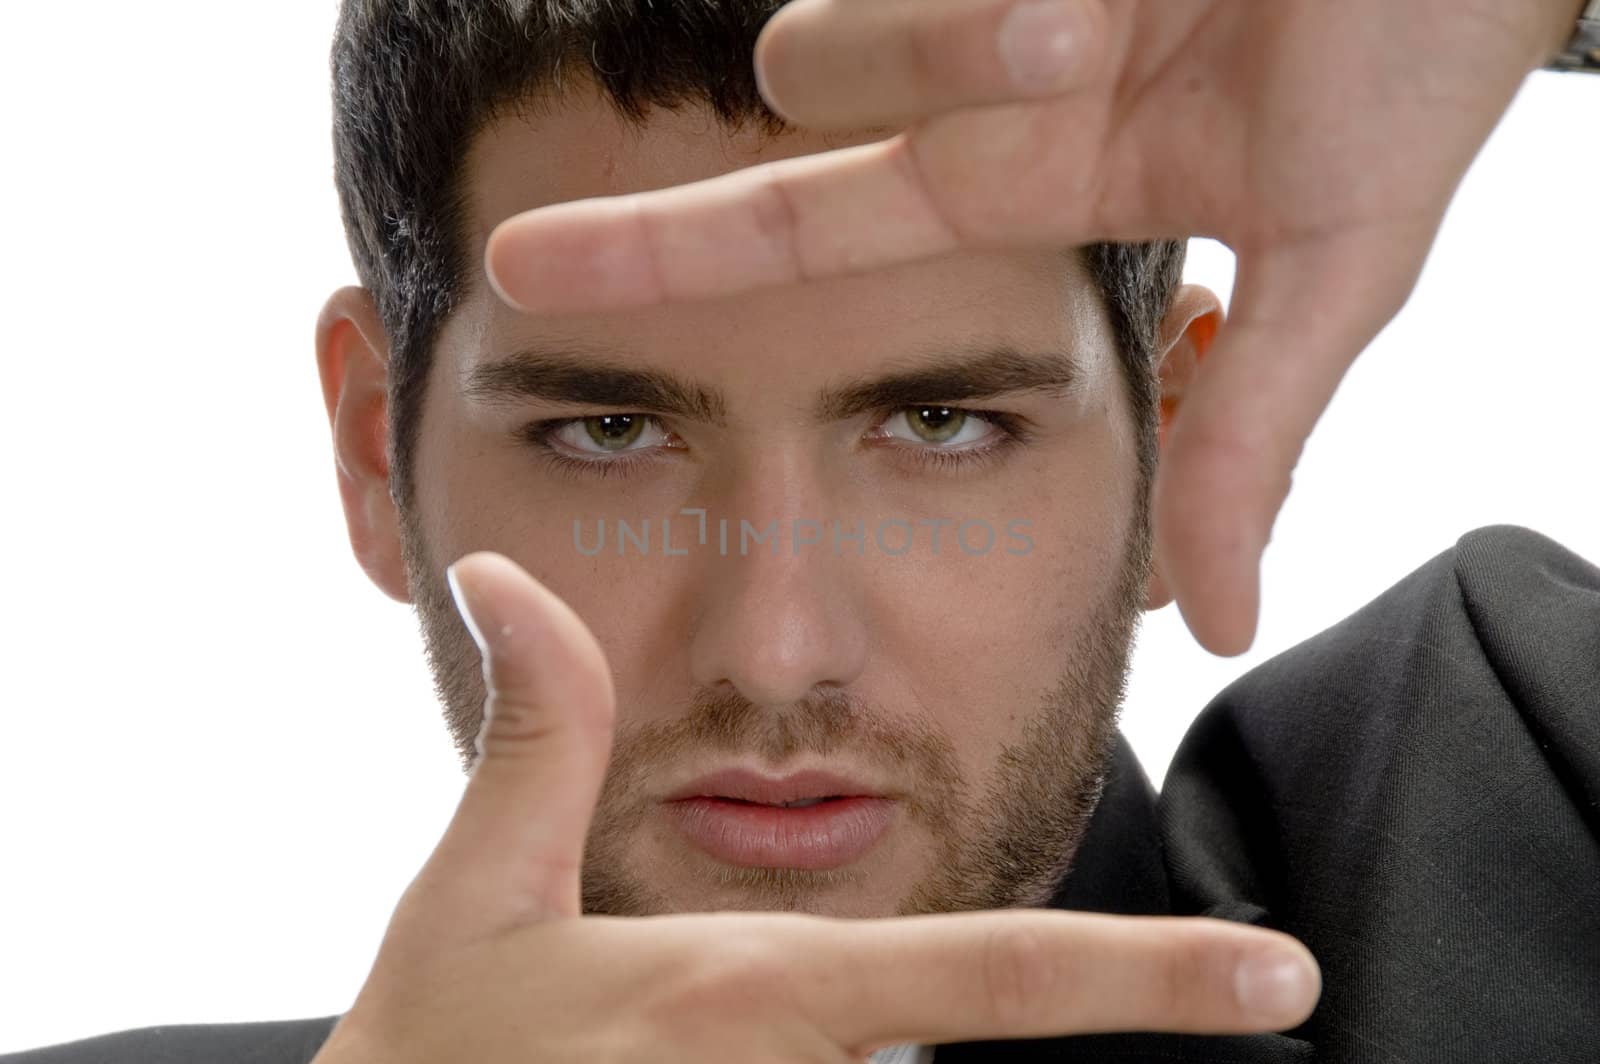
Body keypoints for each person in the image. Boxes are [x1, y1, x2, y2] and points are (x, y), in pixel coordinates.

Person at [4, 1, 1594, 1061]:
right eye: (609, 432)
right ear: (374, 458)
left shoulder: (1515, 771)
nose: (776, 653)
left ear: (1174, 442)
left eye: (942, 424)